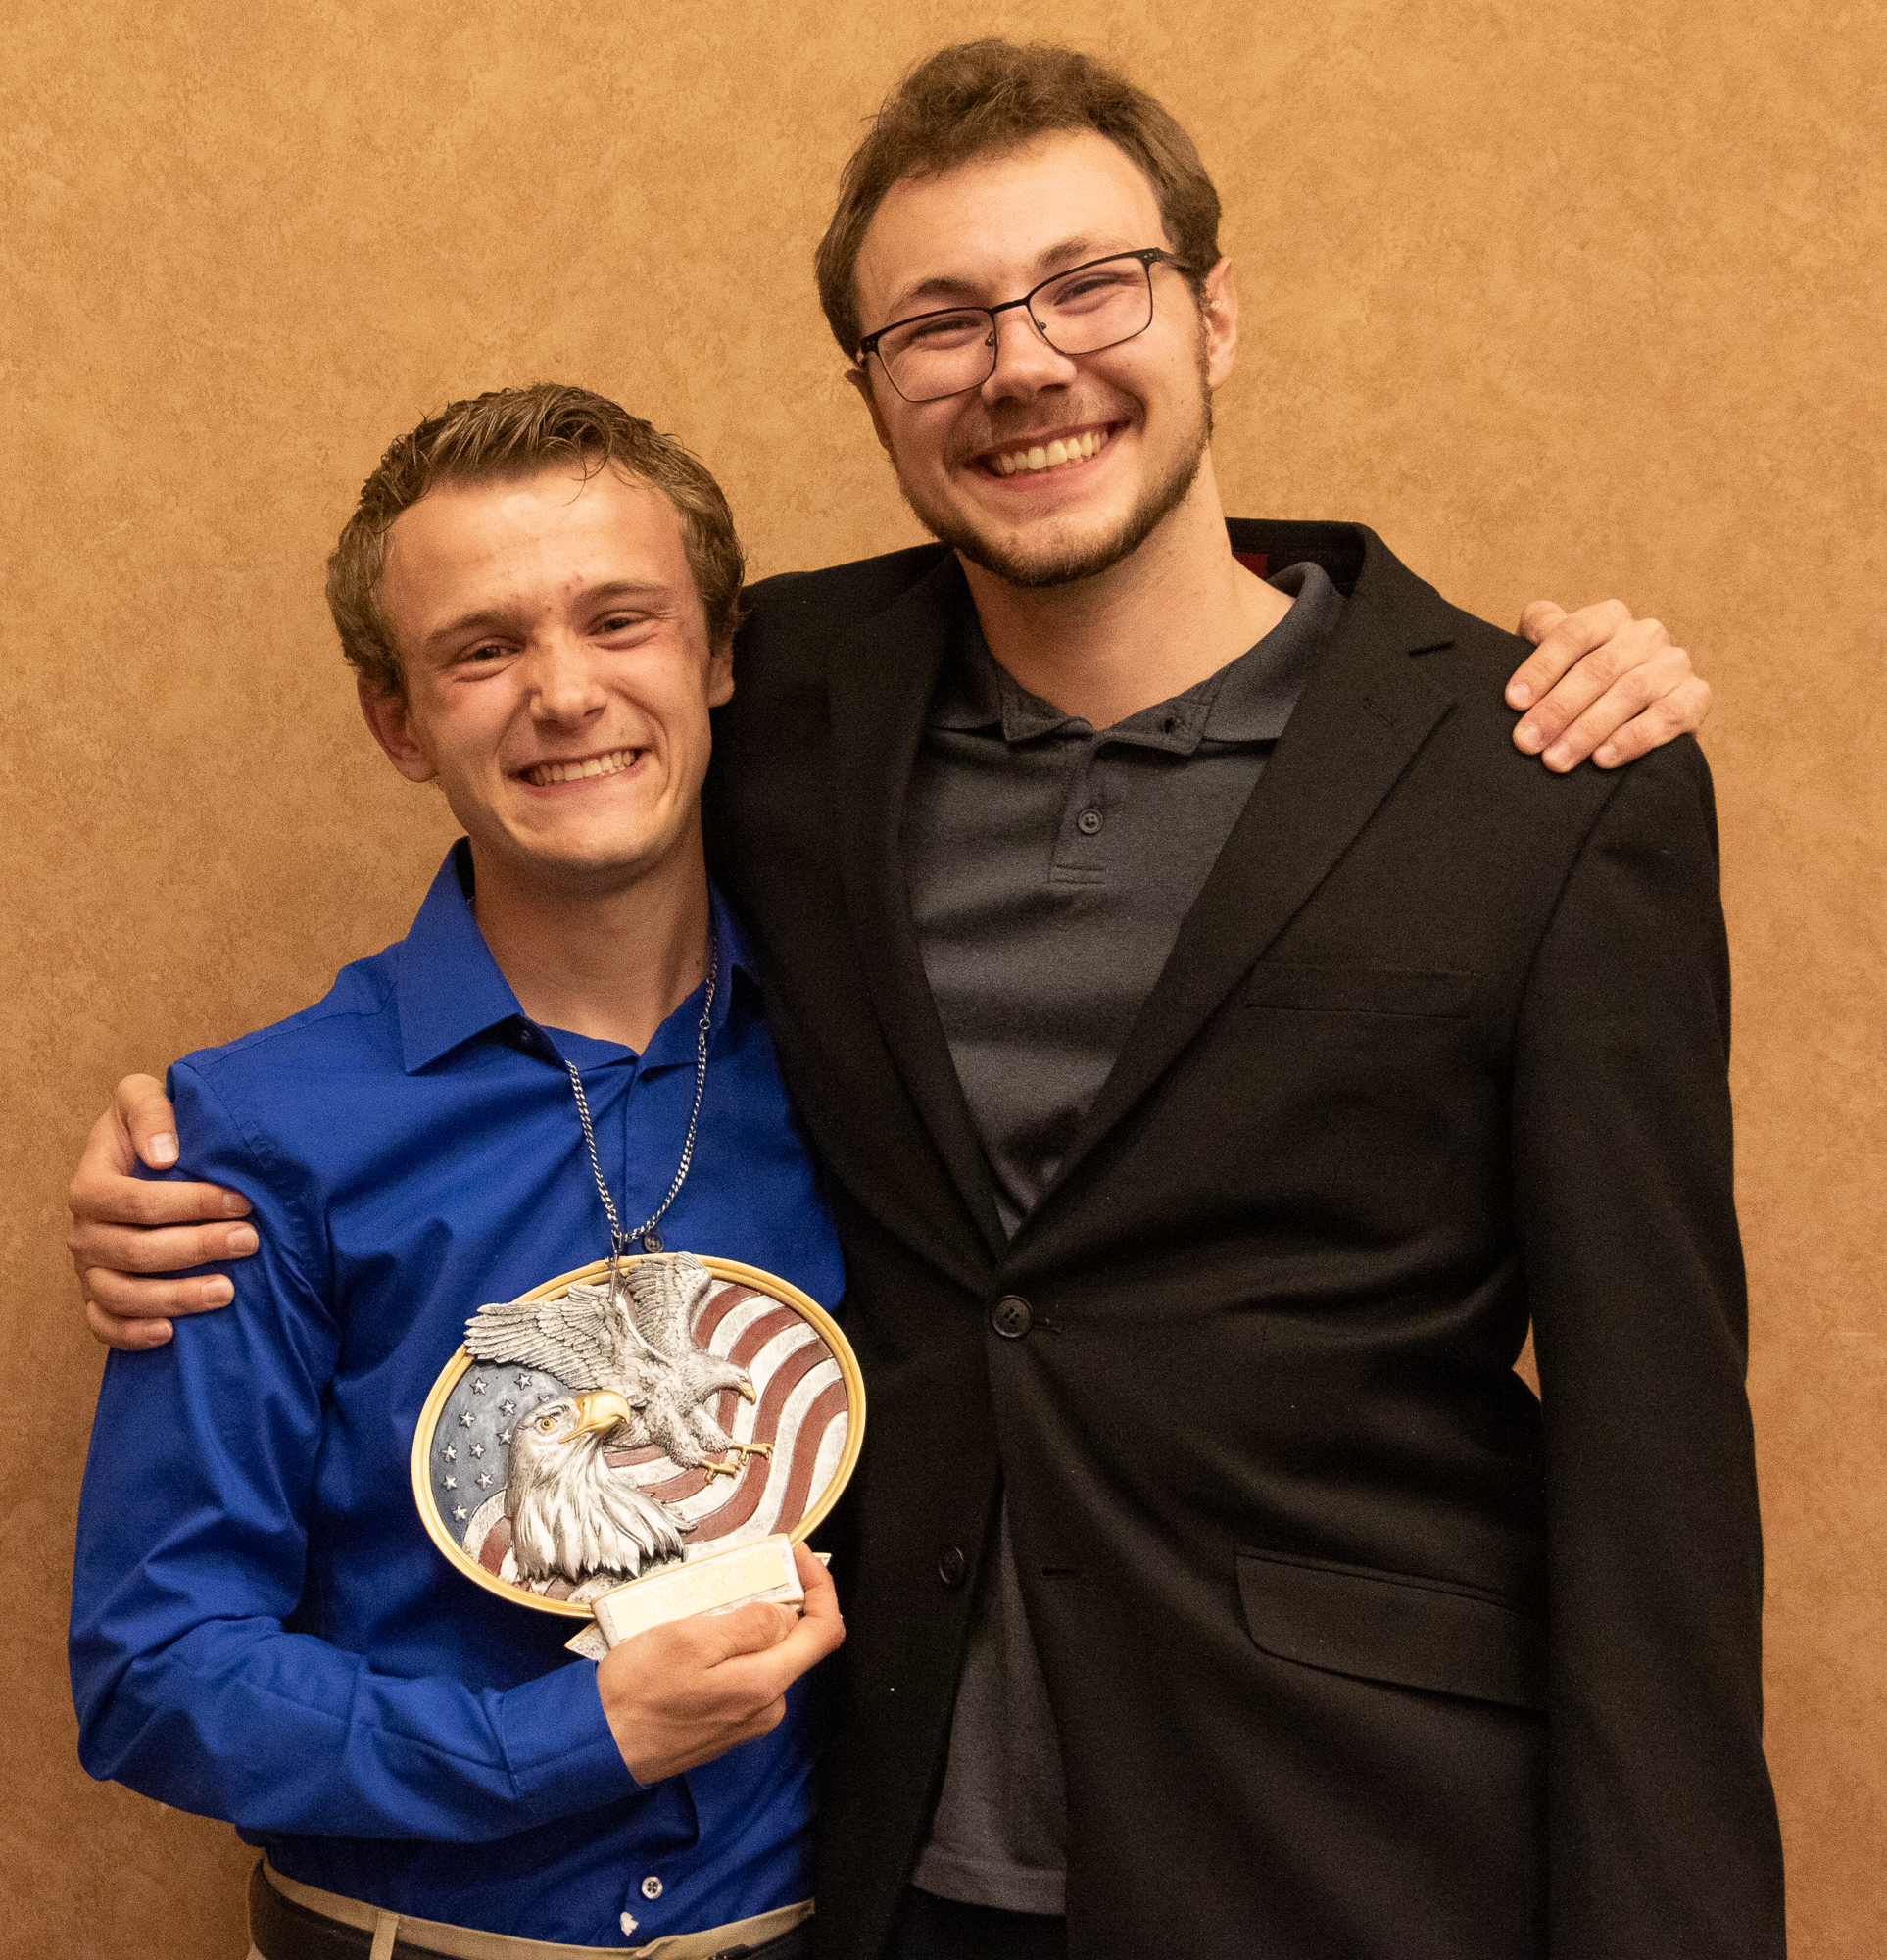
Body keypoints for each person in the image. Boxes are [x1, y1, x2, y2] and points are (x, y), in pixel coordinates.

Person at [64, 39, 1770, 1960]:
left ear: (1213, 312)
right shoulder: (792, 699)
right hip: (888, 1864)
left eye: (1089, 284)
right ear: (873, 387)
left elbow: (1656, 1466)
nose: (1021, 363)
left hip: (1354, 1843)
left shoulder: (1534, 770)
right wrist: (198, 1159)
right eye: (938, 322)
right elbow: (552, 842)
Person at [69, 386, 847, 1959]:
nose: (564, 692)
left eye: (619, 619)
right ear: (399, 722)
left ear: (718, 653)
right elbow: (154, 1667)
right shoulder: (255, 1132)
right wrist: (557, 1743)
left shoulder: (883, 1068)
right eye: (482, 649)